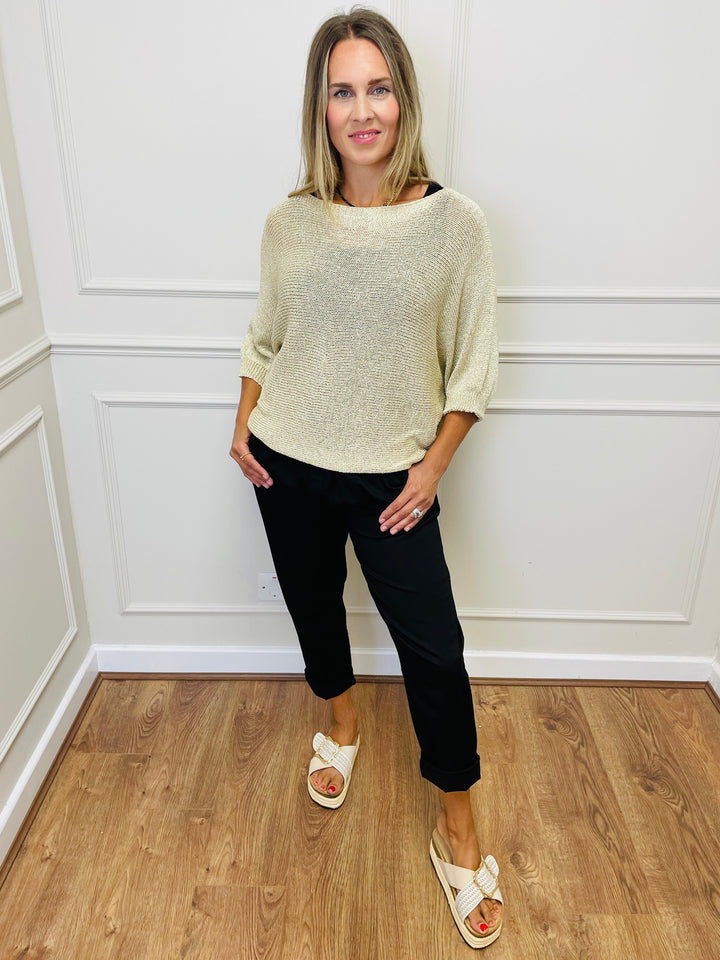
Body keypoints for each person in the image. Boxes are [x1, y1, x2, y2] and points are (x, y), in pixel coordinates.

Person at [230, 7, 503, 950]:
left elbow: (474, 364)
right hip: (287, 461)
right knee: (314, 608)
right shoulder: (289, 222)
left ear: (404, 98)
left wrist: (432, 468)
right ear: (321, 107)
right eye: (342, 91)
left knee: (435, 652)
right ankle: (341, 726)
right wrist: (242, 422)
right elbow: (265, 337)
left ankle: (458, 828)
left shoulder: (454, 225)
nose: (362, 111)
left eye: (378, 88)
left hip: (394, 479)